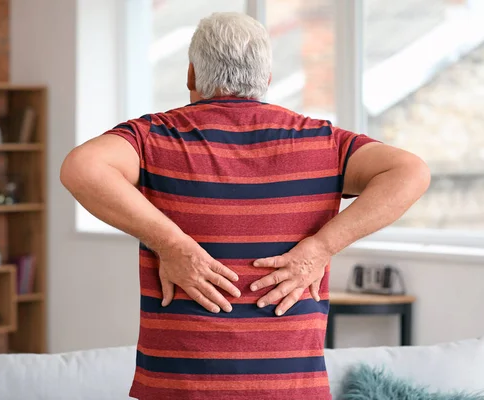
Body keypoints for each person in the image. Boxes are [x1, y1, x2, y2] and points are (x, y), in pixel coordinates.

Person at [60, 12, 430, 400]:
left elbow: (82, 167)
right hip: (289, 389)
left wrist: (171, 244)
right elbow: (411, 172)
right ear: (266, 79)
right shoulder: (324, 142)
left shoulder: (153, 137)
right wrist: (320, 249)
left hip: (179, 386)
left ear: (191, 75)